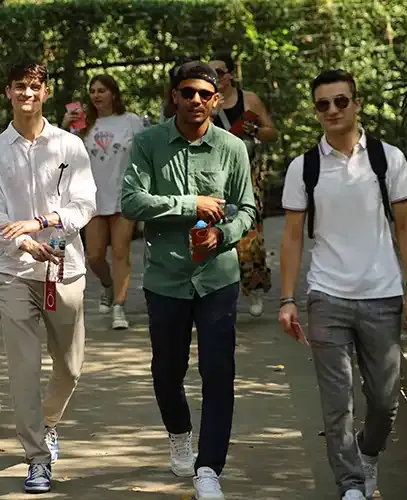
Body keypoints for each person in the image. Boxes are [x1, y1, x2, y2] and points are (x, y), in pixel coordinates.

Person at [277, 69, 407, 500]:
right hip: (327, 296)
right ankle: (351, 484)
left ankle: (368, 451)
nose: (333, 110)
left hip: (382, 293)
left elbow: (406, 225)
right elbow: (291, 237)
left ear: (356, 104)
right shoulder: (304, 167)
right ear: (315, 111)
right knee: (336, 401)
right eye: (323, 104)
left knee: (384, 401)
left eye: (341, 101)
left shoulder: (387, 159)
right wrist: (287, 298)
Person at [120, 61, 257, 500]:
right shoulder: (148, 143)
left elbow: (247, 209)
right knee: (167, 371)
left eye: (204, 94)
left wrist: (223, 234)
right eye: (187, 92)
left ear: (216, 99)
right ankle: (179, 434)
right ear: (174, 96)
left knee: (218, 371)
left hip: (217, 277)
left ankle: (209, 468)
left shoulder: (232, 148)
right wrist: (189, 204)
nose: (195, 100)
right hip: (166, 278)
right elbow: (131, 202)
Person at [0, 60, 96, 494]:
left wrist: (43, 224)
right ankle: (37, 458)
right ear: (7, 92)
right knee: (24, 369)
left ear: (45, 92)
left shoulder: (69, 145)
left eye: (34, 86)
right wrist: (24, 242)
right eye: (19, 86)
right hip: (15, 272)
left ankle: (47, 422)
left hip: (65, 270)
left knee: (71, 366)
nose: (26, 93)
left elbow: (85, 204)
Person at [61, 74, 143, 329]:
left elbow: (144, 154)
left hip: (123, 196)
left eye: (102, 90)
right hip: (93, 198)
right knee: (94, 256)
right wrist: (65, 126)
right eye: (93, 91)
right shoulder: (84, 125)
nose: (96, 95)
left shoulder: (131, 121)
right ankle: (108, 285)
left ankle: (119, 306)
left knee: (120, 252)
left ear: (113, 93)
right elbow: (62, 155)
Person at [208, 52, 278, 317]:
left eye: (220, 72)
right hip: (214, 179)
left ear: (230, 75)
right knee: (216, 234)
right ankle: (220, 296)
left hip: (247, 177)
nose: (216, 77)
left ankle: (254, 286)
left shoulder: (249, 99)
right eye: (211, 73)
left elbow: (272, 132)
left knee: (249, 235)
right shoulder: (205, 101)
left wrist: (255, 130)